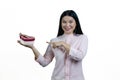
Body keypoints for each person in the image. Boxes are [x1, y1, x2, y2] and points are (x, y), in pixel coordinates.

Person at [18, 10, 88, 80]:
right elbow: (44, 62)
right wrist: (32, 47)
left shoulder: (82, 38)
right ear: (61, 23)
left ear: (76, 23)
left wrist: (63, 44)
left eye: (70, 22)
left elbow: (80, 56)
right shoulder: (54, 41)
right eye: (64, 22)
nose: (67, 25)